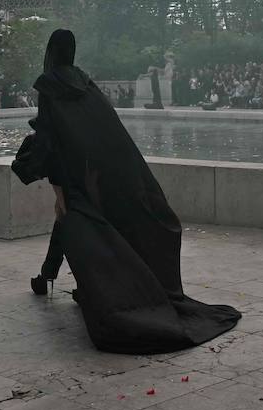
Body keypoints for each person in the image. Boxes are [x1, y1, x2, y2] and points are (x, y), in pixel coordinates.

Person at [24, 29, 241, 354]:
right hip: (100, 172)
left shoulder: (49, 86)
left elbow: (50, 140)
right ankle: (46, 277)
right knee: (74, 223)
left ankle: (59, 280)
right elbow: (104, 129)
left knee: (72, 222)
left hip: (73, 173)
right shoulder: (85, 83)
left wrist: (58, 189)